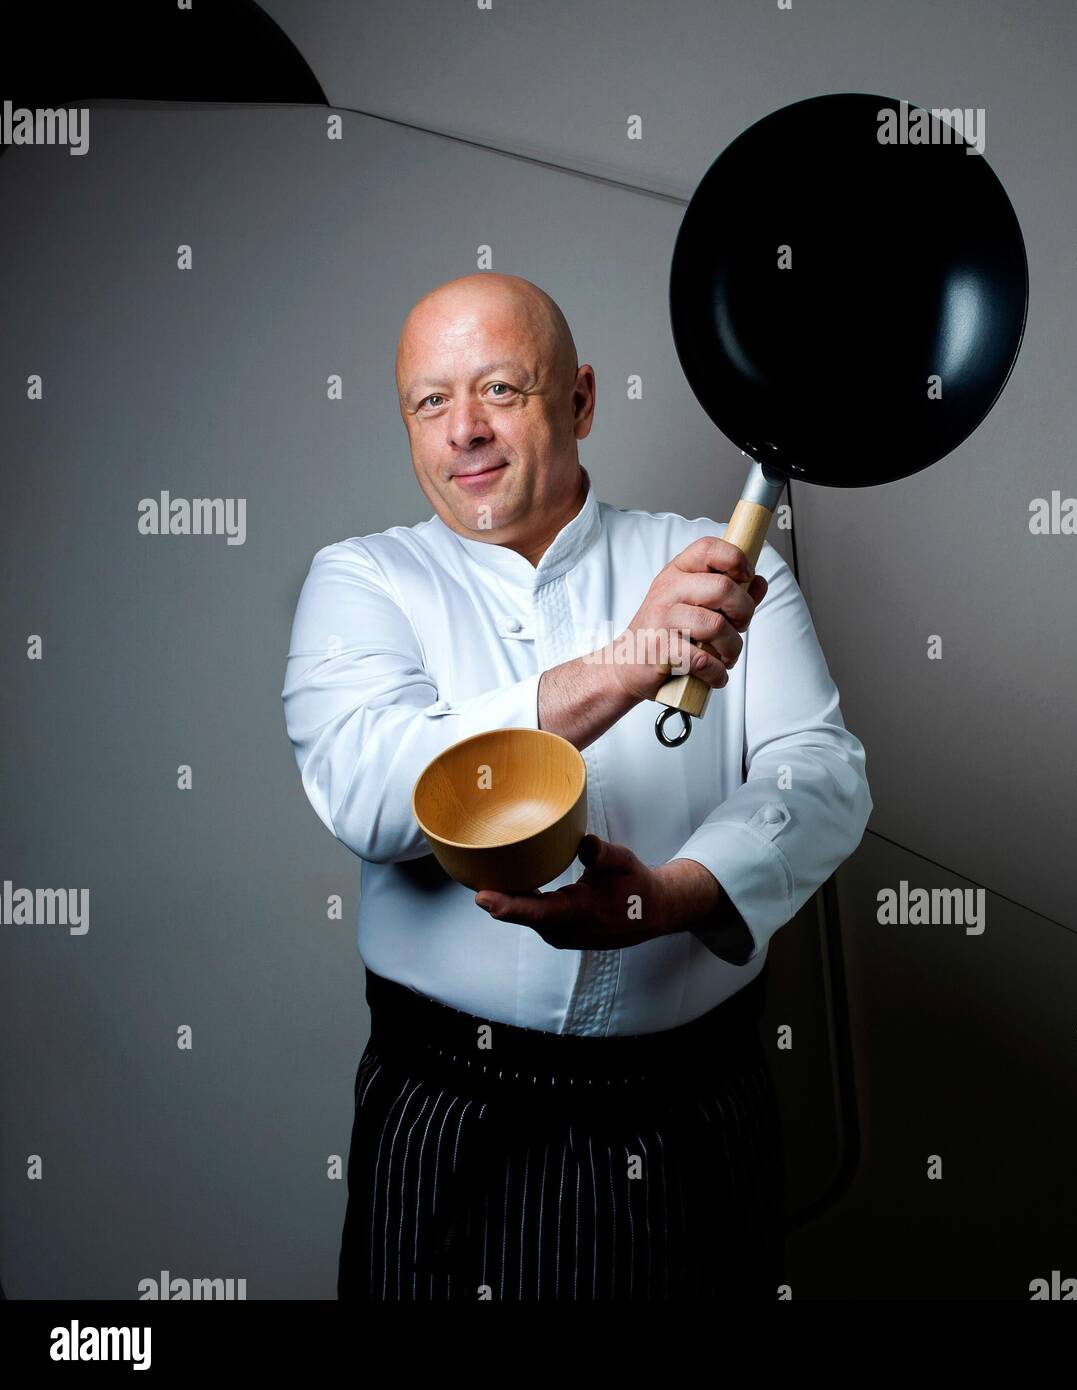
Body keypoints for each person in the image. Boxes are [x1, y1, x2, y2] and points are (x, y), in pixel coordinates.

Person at [281, 272, 873, 1300]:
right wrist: (625, 661)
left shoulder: (720, 567)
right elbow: (374, 792)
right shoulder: (362, 580)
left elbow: (821, 776)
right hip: (451, 1116)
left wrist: (672, 895)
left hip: (694, 1115)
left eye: (501, 389)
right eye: (431, 402)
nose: (464, 428)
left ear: (582, 400)